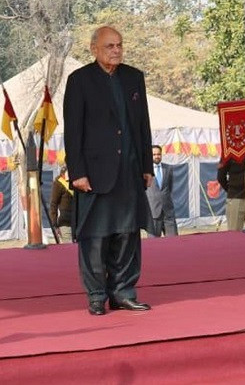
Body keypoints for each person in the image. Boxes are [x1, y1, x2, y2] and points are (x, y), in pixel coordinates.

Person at [63, 26, 155, 316]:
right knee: (96, 237)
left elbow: (143, 126)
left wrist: (146, 166)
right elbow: (73, 131)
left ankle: (123, 293)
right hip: (94, 174)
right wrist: (77, 172)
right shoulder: (79, 81)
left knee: (128, 235)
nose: (116, 50)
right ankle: (96, 296)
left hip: (129, 172)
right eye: (109, 46)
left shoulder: (133, 77)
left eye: (119, 45)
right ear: (94, 49)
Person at [146, 145, 178, 237]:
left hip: (168, 212)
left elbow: (169, 188)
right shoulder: (145, 171)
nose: (157, 156)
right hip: (153, 213)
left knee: (174, 243)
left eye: (159, 154)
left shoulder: (168, 169)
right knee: (154, 245)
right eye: (154, 154)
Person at [217, 158, 245, 230]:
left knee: (235, 235)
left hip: (236, 197)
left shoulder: (228, 151)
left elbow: (220, 177)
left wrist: (231, 190)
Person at [49, 166, 73, 244]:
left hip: (79, 223)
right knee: (69, 249)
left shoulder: (76, 182)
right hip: (65, 223)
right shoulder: (58, 183)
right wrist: (54, 225)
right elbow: (53, 204)